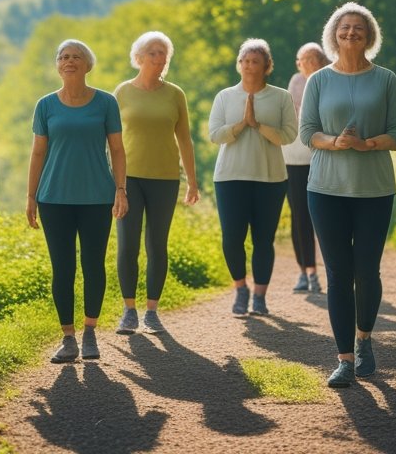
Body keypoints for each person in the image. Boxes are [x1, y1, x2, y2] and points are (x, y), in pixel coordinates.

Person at [299, 2, 396, 388]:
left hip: (374, 189)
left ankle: (364, 340)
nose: (350, 34)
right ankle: (344, 358)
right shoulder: (319, 81)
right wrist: (335, 142)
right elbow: (306, 131)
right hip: (325, 189)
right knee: (338, 274)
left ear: (369, 35)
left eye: (358, 28)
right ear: (334, 34)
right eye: (344, 28)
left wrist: (368, 144)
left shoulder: (386, 79)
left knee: (366, 270)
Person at [26, 39, 128, 363]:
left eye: (76, 57)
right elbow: (38, 152)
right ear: (58, 65)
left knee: (93, 265)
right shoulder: (45, 105)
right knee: (63, 268)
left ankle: (90, 333)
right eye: (64, 57)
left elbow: (118, 150)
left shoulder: (106, 103)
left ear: (87, 64)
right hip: (53, 198)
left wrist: (121, 190)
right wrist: (30, 196)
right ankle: (68, 337)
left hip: (97, 197)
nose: (69, 61)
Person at [113, 31, 200, 335]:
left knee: (157, 245)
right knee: (127, 244)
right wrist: (111, 180)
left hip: (165, 178)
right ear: (139, 57)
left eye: (163, 52)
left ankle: (151, 311)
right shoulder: (122, 92)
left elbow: (185, 139)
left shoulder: (175, 94)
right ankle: (128, 311)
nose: (159, 58)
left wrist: (192, 181)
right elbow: (110, 140)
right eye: (152, 52)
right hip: (128, 179)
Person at [208, 38, 297, 318]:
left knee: (263, 239)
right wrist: (241, 124)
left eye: (255, 61)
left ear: (266, 66)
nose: (248, 66)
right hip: (230, 177)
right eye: (244, 61)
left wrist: (258, 125)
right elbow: (214, 135)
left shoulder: (281, 97)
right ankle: (240, 288)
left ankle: (259, 297)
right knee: (232, 238)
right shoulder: (225, 96)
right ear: (239, 65)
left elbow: (288, 135)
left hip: (270, 178)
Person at [284, 42, 328, 294]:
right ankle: (306, 272)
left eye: (311, 58)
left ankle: (333, 268)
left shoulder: (330, 78)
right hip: (295, 157)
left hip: (325, 156)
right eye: (301, 59)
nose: (305, 63)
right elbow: (294, 118)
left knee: (324, 215)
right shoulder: (296, 81)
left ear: (321, 60)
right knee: (299, 214)